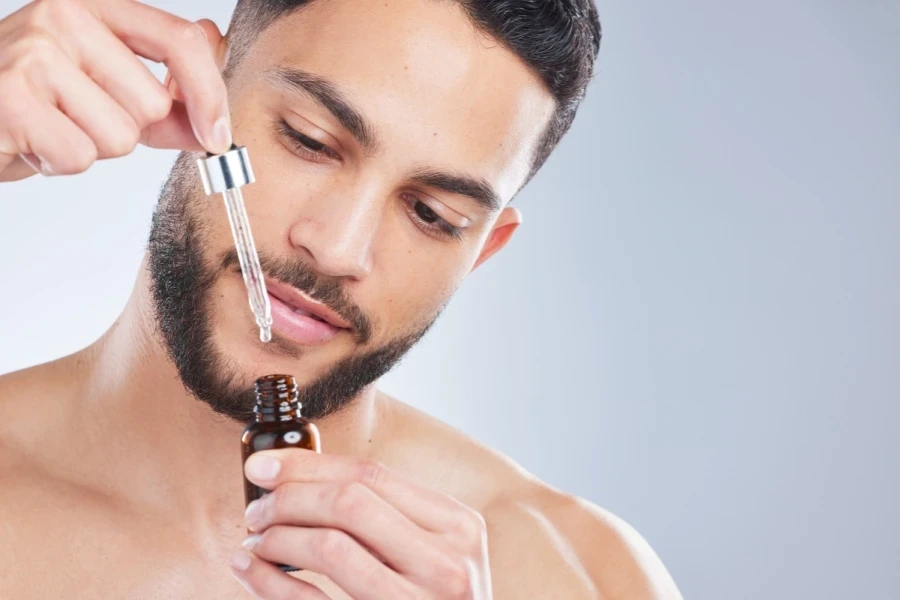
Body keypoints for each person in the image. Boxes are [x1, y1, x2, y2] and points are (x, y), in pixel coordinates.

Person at [0, 0, 683, 598]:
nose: (338, 248)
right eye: (310, 140)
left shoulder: (581, 578)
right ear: (199, 85)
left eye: (432, 214)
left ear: (481, 253)